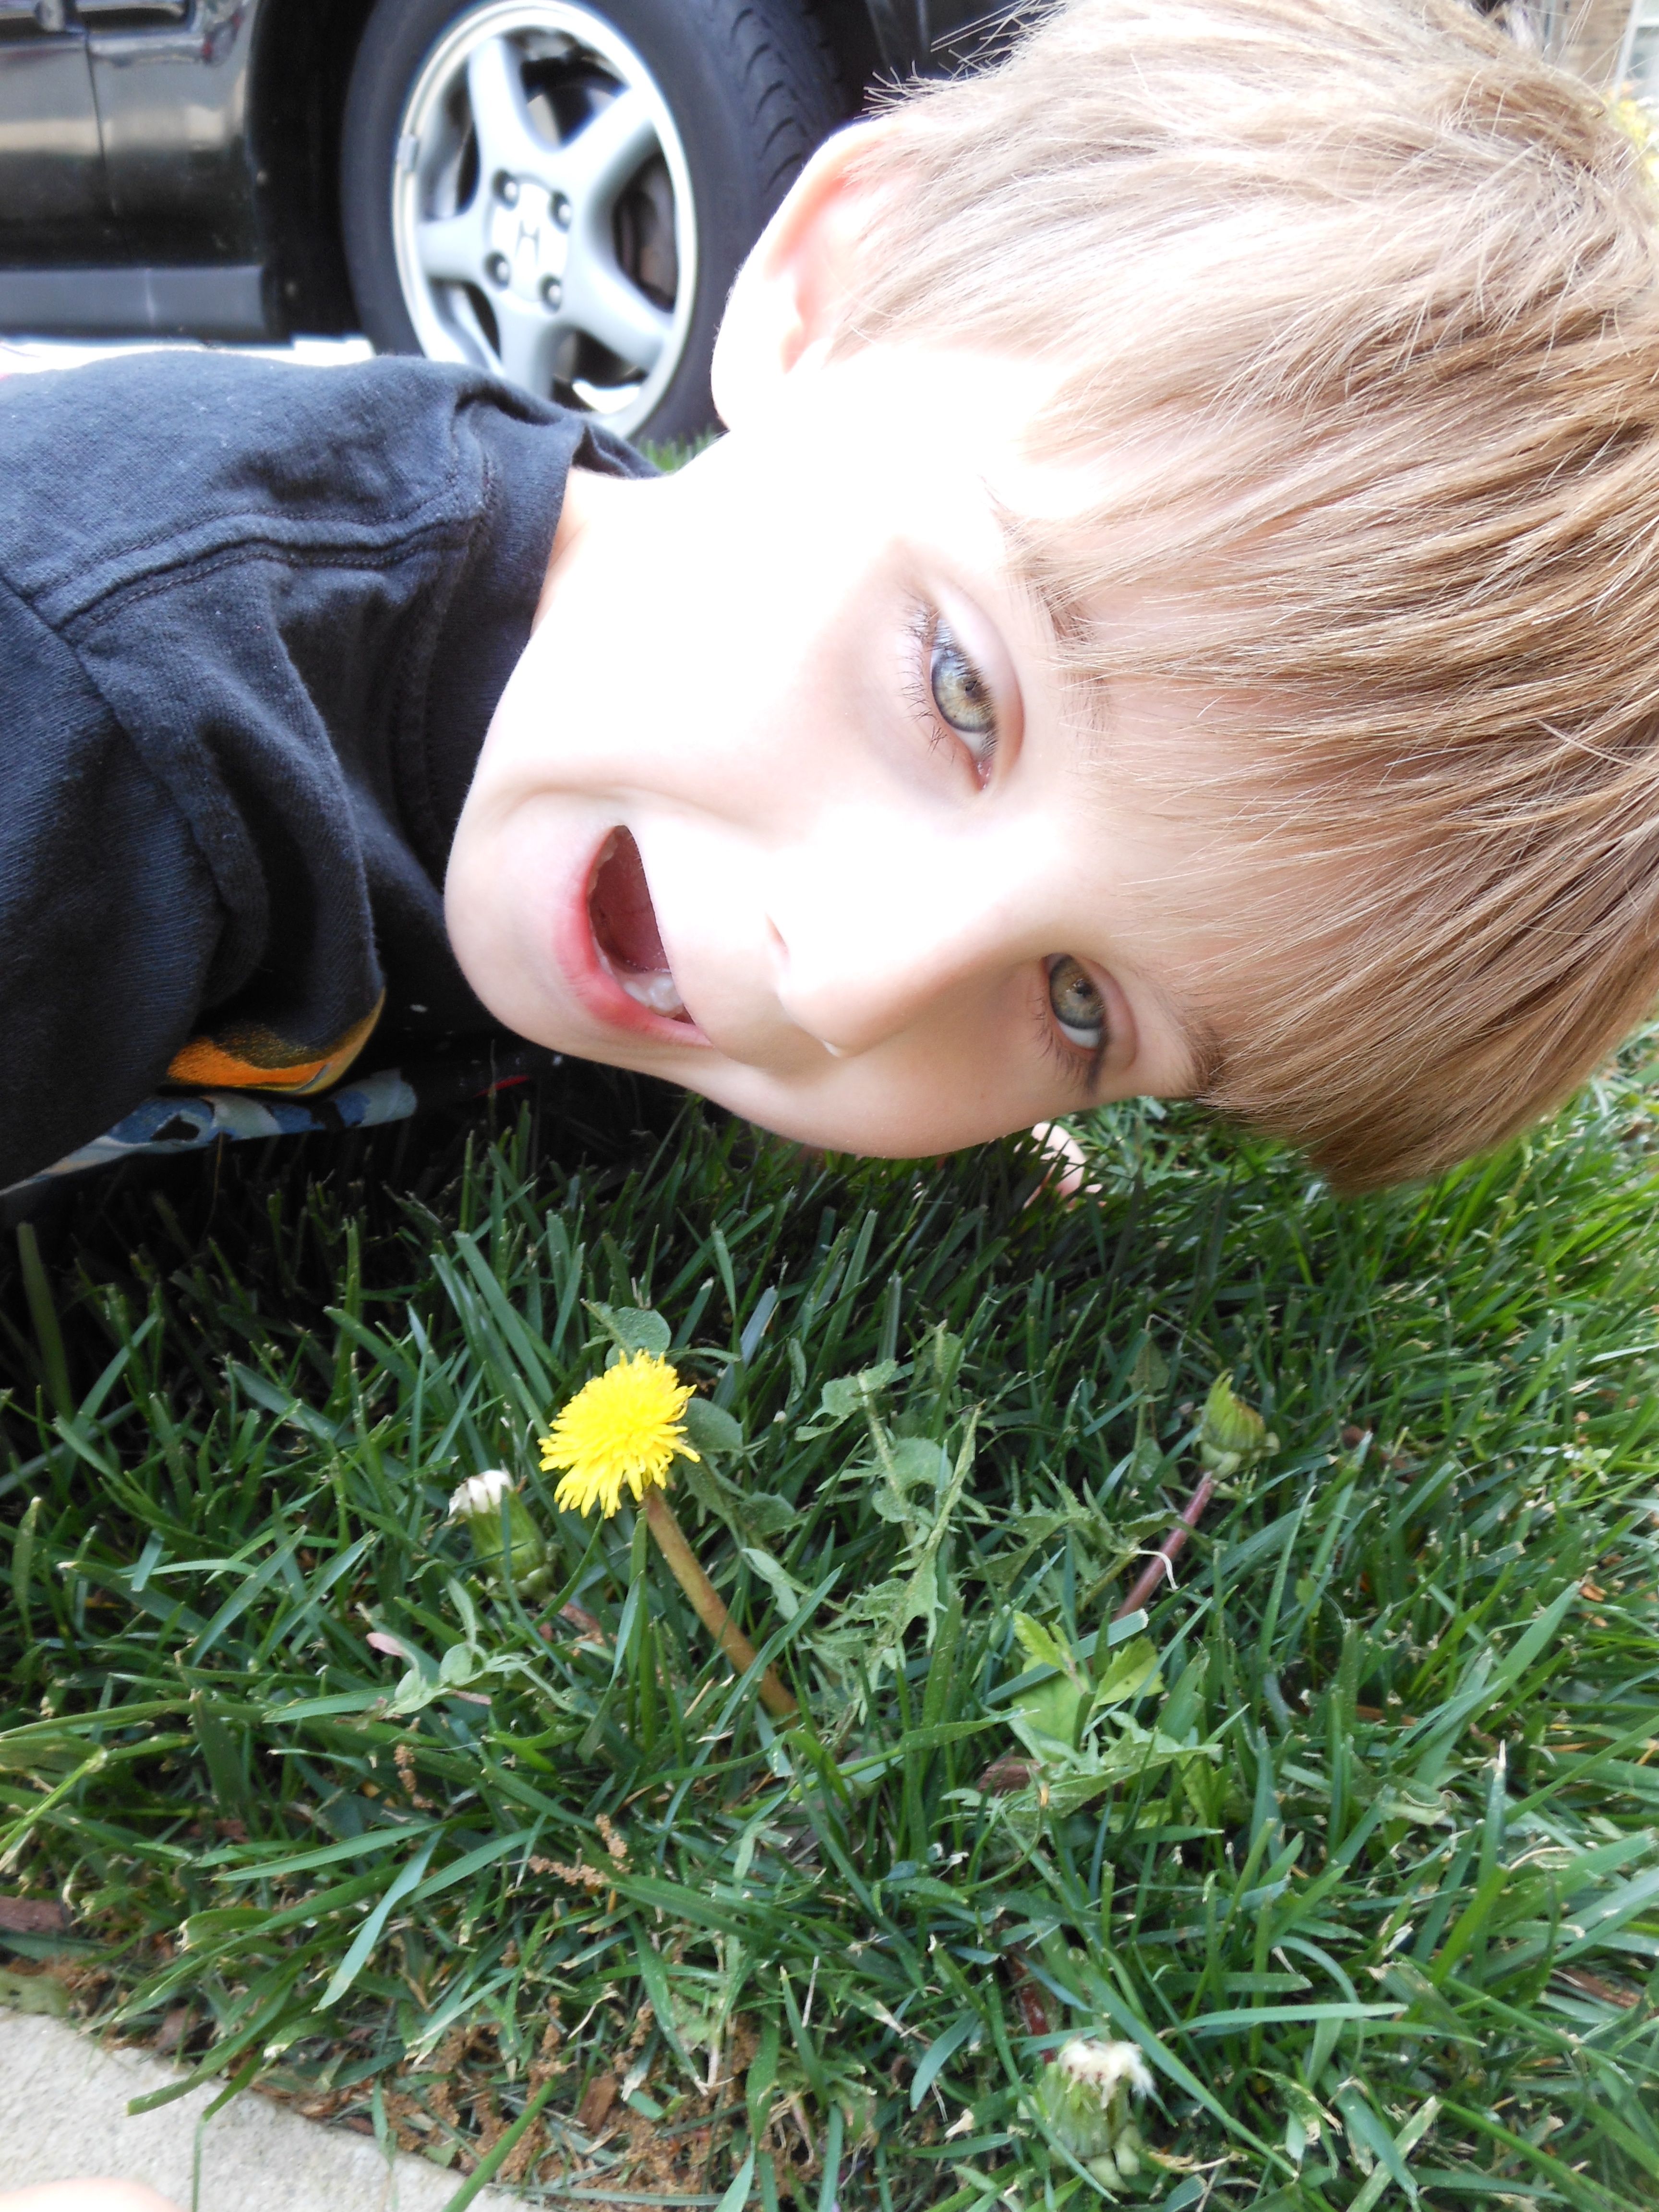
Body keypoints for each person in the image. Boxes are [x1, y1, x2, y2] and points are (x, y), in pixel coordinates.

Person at [5, 0, 1659, 1210]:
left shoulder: (663, 718)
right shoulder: (101, 700)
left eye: (1079, 1002)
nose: (852, 988)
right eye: (960, 694)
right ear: (828, 298)